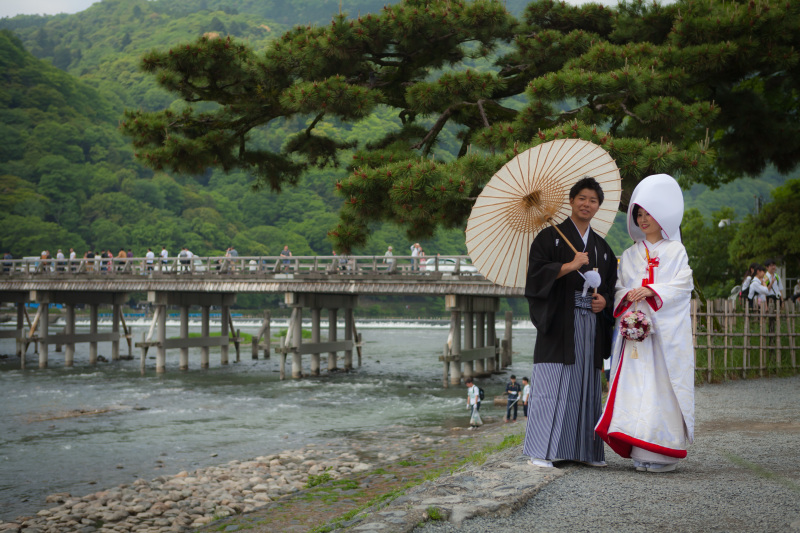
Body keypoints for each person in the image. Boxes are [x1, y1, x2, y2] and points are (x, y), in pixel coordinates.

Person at [595, 173, 695, 474]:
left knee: (661, 387)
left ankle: (663, 452)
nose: (643, 219)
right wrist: (630, 294)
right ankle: (639, 449)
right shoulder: (629, 255)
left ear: (661, 215)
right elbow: (619, 289)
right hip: (636, 336)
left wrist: (652, 290)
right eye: (638, 214)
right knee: (636, 388)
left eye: (648, 213)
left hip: (663, 337)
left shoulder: (675, 251)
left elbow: (683, 285)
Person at [523, 176, 618, 469]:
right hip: (560, 321)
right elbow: (535, 278)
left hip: (590, 323)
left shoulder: (601, 247)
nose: (587, 204)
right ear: (571, 201)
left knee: (586, 386)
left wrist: (605, 304)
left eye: (593, 200)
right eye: (582, 198)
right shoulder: (548, 238)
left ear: (598, 206)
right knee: (553, 384)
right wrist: (570, 265)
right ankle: (541, 452)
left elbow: (611, 285)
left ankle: (584, 451)